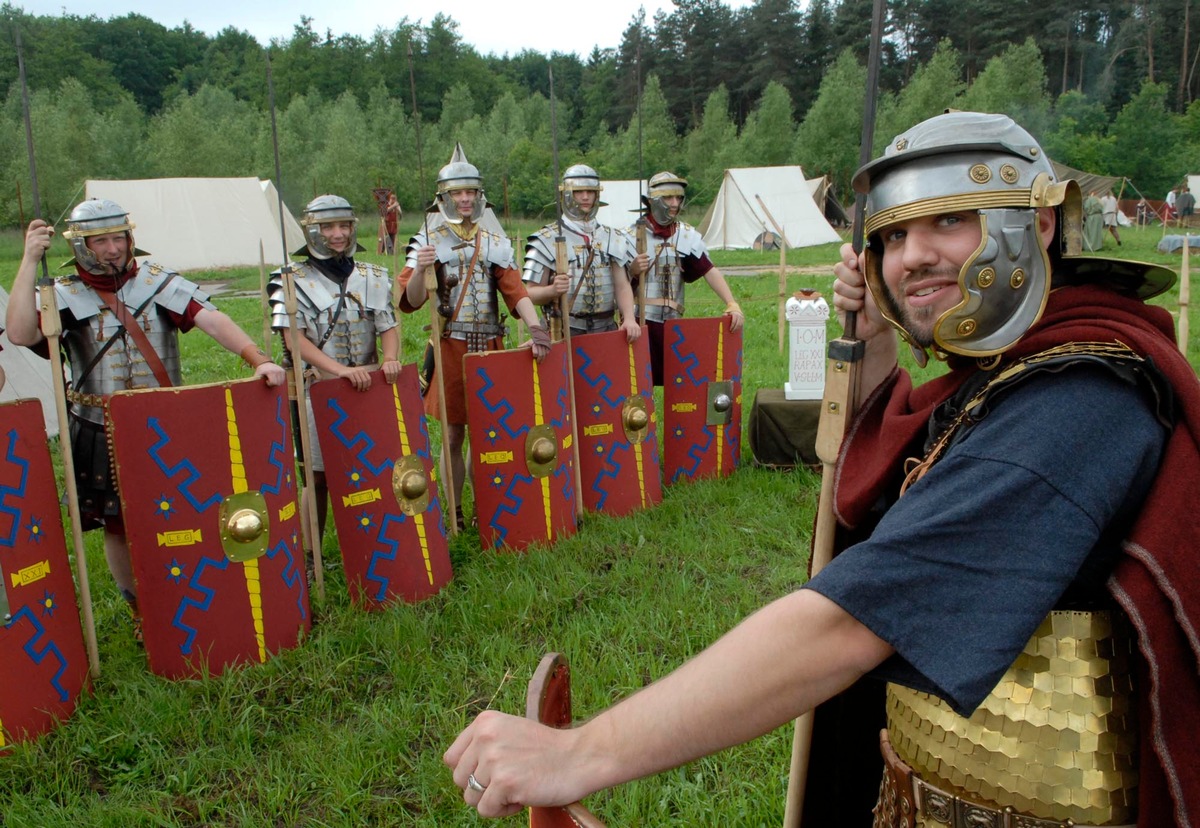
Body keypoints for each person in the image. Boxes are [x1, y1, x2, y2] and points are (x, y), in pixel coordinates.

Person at [444, 113, 1200, 827]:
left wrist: (583, 752)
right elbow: (893, 489)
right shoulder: (1011, 375)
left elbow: (850, 621)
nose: (912, 256)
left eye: (949, 219)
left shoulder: (1079, 403)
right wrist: (872, 346)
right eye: (894, 234)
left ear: (1034, 224)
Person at [6, 200, 286, 641]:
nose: (113, 249)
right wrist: (27, 260)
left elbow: (211, 319)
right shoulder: (60, 294)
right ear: (81, 245)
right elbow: (21, 333)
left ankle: (186, 591)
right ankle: (139, 606)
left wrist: (257, 358)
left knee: (185, 511)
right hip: (99, 427)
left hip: (165, 424)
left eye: (119, 238)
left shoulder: (158, 283)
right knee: (117, 523)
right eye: (101, 241)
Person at [396, 145, 551, 528]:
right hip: (449, 346)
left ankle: (488, 503)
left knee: (488, 431)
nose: (464, 199)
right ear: (444, 197)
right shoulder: (427, 239)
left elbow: (516, 292)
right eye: (456, 193)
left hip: (490, 346)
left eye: (470, 193)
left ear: (479, 196)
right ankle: (455, 513)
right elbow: (409, 302)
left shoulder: (494, 242)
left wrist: (536, 328)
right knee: (452, 434)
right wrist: (421, 269)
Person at [268, 194, 400, 544]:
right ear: (313, 231)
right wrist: (338, 371)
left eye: (344, 226)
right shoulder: (290, 280)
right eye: (327, 227)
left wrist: (389, 358)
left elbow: (387, 323)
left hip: (370, 387)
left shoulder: (373, 275)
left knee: (374, 467)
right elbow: (295, 340)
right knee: (317, 477)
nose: (337, 234)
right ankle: (312, 556)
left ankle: (374, 542)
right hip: (318, 389)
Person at [627, 171, 744, 385]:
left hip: (673, 324)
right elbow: (619, 284)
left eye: (678, 198)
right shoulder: (632, 235)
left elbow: (709, 270)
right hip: (640, 321)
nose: (674, 203)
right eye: (668, 198)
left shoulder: (686, 235)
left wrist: (731, 302)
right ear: (653, 200)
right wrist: (632, 270)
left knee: (681, 383)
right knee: (638, 383)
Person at [522, 164, 640, 344]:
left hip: (606, 330)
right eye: (579, 192)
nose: (585, 197)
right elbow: (528, 294)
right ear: (567, 194)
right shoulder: (547, 239)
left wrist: (630, 318)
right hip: (563, 332)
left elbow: (622, 286)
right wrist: (552, 290)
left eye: (590, 192)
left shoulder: (612, 237)